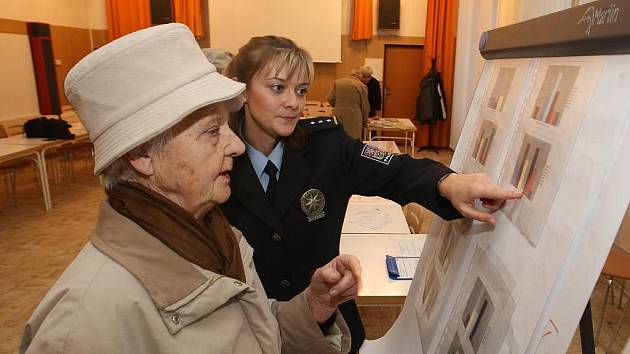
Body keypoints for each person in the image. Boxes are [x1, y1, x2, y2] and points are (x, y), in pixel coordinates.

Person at [19, 24, 361, 354]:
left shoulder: (224, 239)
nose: (237, 146)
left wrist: (313, 306)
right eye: (213, 131)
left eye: (228, 126)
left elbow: (254, 334)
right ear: (141, 155)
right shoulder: (81, 328)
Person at [220, 35, 521, 353]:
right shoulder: (214, 162)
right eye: (277, 87)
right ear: (241, 91)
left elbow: (398, 171)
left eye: (301, 90)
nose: (294, 102)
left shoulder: (326, 147)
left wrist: (447, 182)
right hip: (250, 330)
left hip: (329, 330)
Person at [327, 69, 370, 139]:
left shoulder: (338, 82)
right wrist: (365, 122)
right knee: (353, 139)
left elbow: (330, 98)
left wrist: (338, 106)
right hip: (355, 116)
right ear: (360, 77)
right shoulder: (362, 86)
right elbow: (365, 106)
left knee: (338, 137)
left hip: (339, 113)